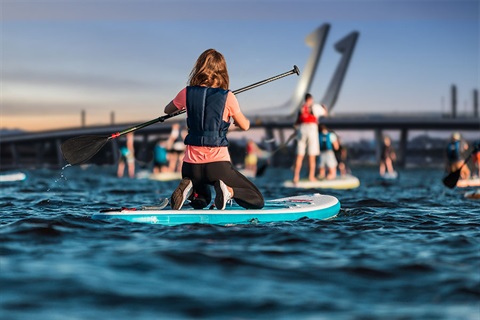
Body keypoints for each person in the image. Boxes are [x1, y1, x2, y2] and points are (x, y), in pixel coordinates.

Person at [164, 48, 264, 210]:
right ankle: (228, 191)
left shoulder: (186, 93)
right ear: (222, 72)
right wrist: (237, 121)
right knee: (257, 200)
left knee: (202, 201)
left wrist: (186, 103)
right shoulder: (228, 97)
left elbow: (167, 110)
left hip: (190, 167)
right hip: (217, 167)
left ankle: (189, 189)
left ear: (199, 69)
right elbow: (245, 125)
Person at [292, 93, 327, 184]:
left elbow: (296, 123)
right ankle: (311, 176)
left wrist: (296, 131)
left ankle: (296, 177)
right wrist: (324, 107)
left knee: (299, 155)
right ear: (311, 99)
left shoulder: (301, 108)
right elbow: (325, 113)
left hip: (301, 130)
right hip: (311, 129)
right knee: (312, 155)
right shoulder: (315, 106)